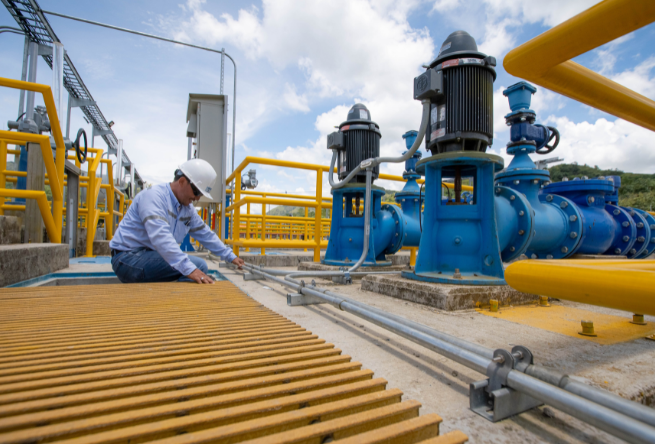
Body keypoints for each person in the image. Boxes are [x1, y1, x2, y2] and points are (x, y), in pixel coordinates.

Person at [109, 158, 245, 284]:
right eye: (197, 192)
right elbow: (161, 237)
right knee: (195, 266)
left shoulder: (187, 209)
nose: (197, 198)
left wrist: (230, 256)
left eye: (201, 194)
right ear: (181, 182)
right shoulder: (154, 197)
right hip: (127, 259)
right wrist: (190, 270)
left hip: (149, 256)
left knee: (197, 266)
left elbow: (205, 234)